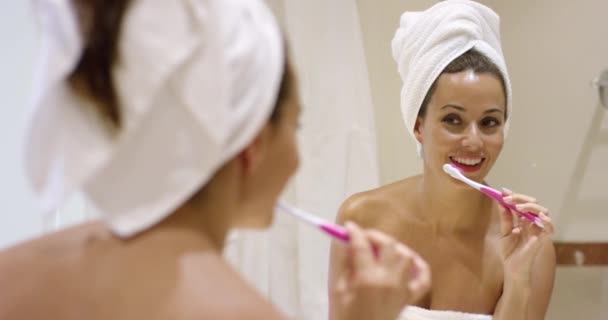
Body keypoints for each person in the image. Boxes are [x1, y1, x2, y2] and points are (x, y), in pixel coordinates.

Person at [0, 0, 430, 319]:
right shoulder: (240, 312)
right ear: (252, 146)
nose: (298, 159)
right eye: (295, 127)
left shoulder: (12, 273)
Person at [329, 1, 555, 320]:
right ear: (419, 125)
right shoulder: (363, 220)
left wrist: (517, 280)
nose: (474, 141)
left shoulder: (530, 244)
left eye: (490, 122)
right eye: (453, 120)